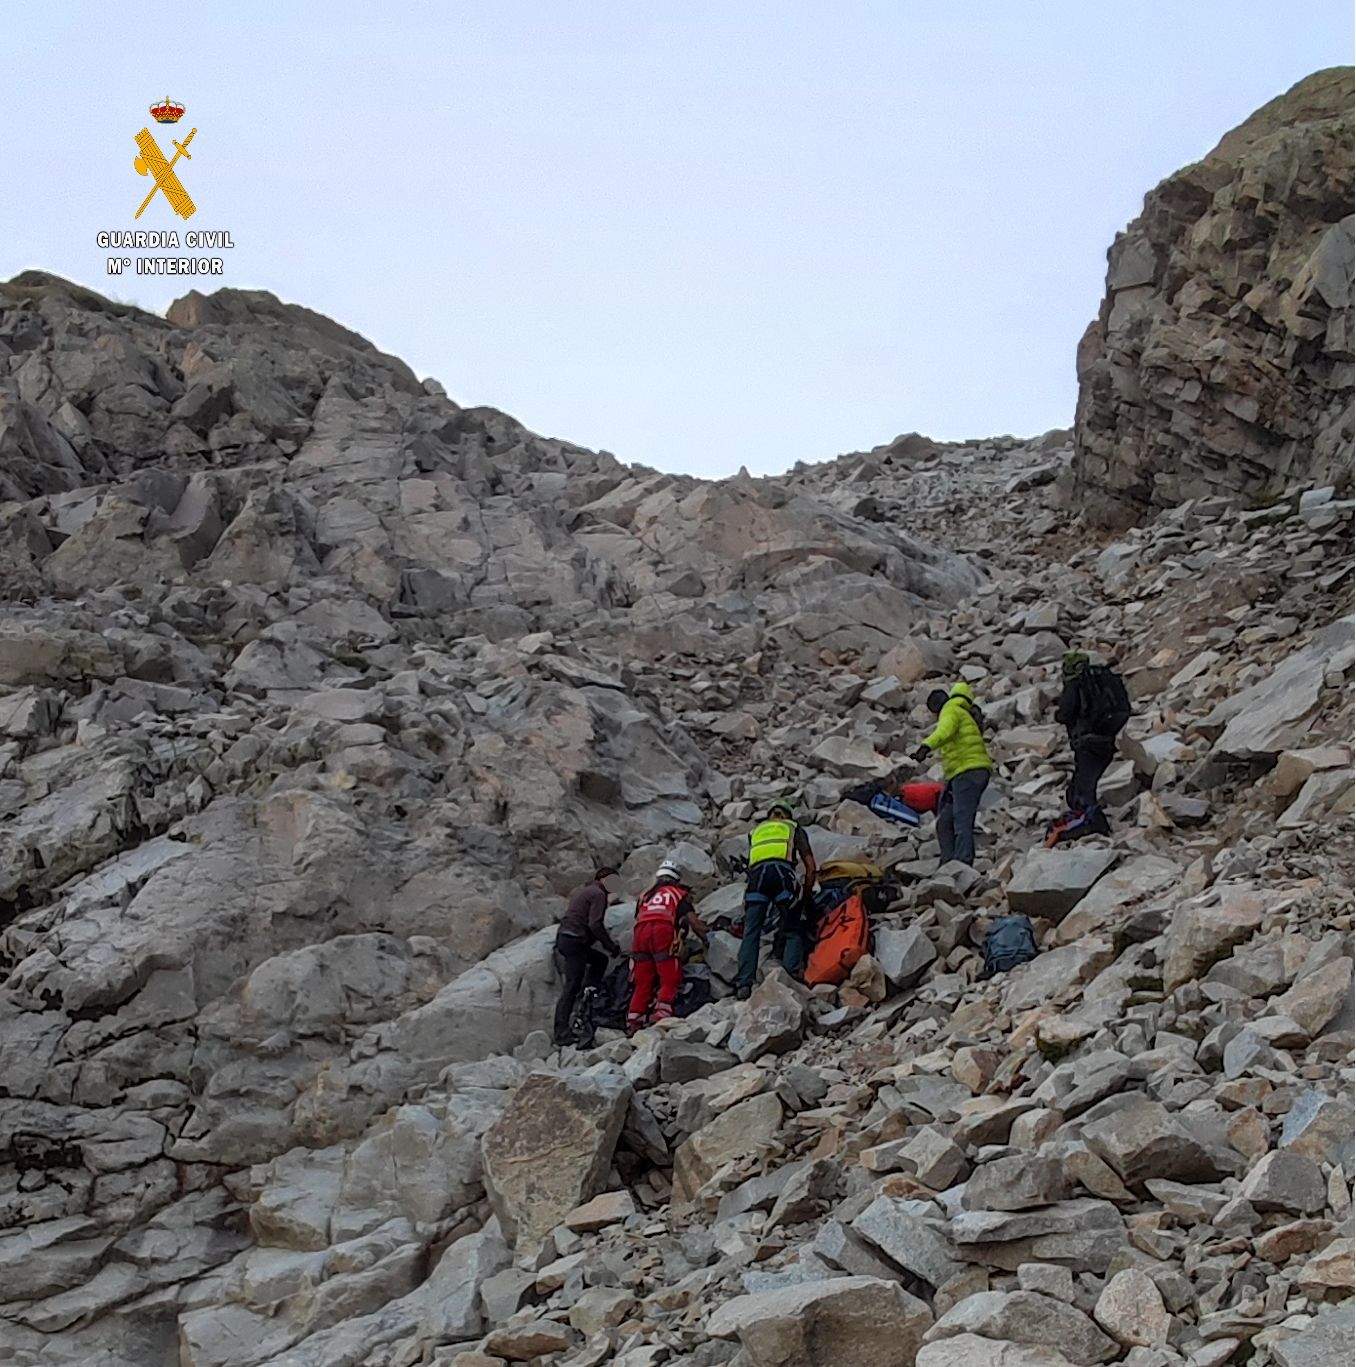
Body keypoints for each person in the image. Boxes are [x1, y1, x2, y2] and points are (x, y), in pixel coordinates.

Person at [736, 799, 817, 999]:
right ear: (787, 815)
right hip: (782, 875)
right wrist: (805, 896)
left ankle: (744, 984)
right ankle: (790, 976)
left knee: (751, 932)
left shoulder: (755, 832)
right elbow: (810, 866)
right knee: (792, 927)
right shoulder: (793, 828)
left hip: (757, 879)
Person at [914, 683, 992, 866]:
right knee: (945, 821)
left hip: (968, 771)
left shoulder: (950, 711)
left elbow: (944, 732)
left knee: (961, 819)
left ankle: (963, 865)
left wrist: (926, 746)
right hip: (966, 772)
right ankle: (948, 863)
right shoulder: (963, 711)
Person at [627, 862, 706, 1033]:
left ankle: (634, 1019)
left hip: (640, 934)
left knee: (643, 979)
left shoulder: (645, 896)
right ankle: (662, 1014)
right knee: (670, 975)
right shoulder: (678, 894)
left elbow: (638, 917)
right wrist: (707, 940)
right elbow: (694, 923)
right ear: (676, 879)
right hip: (662, 931)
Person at [1055, 651, 1131, 815]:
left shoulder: (1075, 684)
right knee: (1090, 778)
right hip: (1109, 733)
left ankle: (1090, 819)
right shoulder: (1102, 678)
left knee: (1085, 783)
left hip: (1086, 739)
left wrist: (1058, 714)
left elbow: (1065, 713)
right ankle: (1088, 814)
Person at [553, 866, 621, 1046]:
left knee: (599, 960)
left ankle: (589, 991)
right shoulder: (598, 895)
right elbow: (595, 924)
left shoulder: (585, 891)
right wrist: (611, 946)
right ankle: (562, 1032)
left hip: (566, 938)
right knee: (571, 987)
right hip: (575, 941)